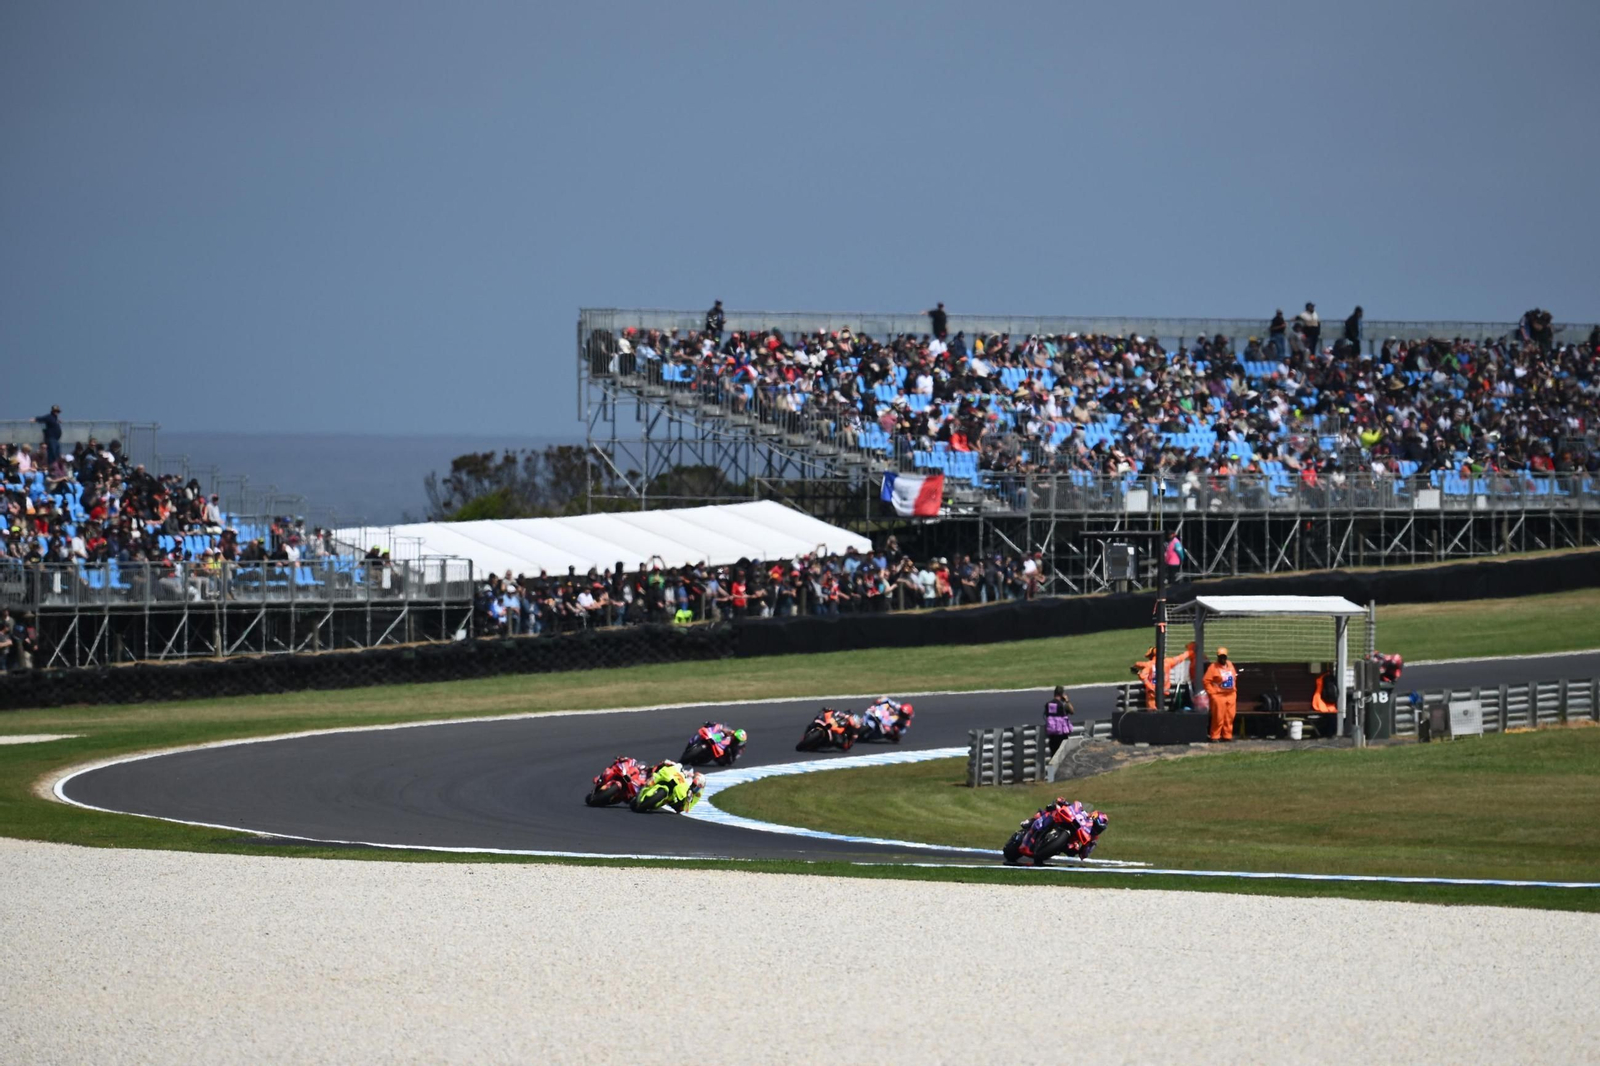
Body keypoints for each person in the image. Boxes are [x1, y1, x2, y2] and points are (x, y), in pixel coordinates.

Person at [1204, 646, 1239, 741]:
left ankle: (1227, 736)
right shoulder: (1213, 667)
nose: (1222, 659)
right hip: (1219, 696)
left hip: (1231, 695)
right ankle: (1215, 736)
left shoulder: (1230, 665)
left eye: (1224, 657)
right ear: (1218, 657)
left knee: (1230, 717)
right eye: (1220, 657)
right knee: (1218, 717)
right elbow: (1206, 681)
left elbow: (1234, 677)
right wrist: (1212, 693)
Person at [1044, 685, 1074, 755]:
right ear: (1062, 694)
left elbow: (1046, 715)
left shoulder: (1048, 704)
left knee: (1053, 755)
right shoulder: (1063, 704)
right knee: (1063, 756)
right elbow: (1072, 711)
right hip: (1062, 735)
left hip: (1052, 734)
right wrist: (1067, 701)